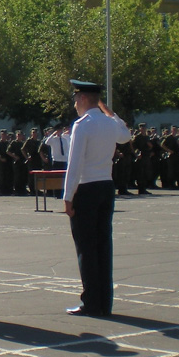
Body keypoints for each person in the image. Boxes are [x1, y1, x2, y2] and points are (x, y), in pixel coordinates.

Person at [61, 80, 130, 318]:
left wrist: (67, 196)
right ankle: (104, 302)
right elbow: (126, 136)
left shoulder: (83, 125)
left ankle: (91, 302)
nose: (75, 106)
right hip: (106, 187)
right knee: (103, 245)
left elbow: (75, 164)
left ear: (82, 99)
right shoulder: (109, 123)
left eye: (76, 101)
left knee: (86, 248)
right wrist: (109, 111)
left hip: (86, 189)